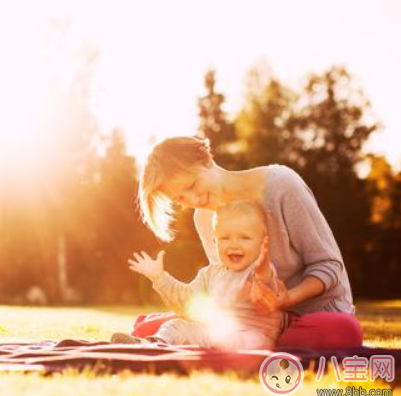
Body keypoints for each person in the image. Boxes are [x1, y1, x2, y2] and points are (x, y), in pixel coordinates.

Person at [125, 136, 363, 349]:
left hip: (309, 314)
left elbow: (329, 265)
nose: (193, 199)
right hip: (251, 323)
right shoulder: (204, 218)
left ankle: (256, 341)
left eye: (191, 185)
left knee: (344, 331)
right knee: (147, 329)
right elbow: (223, 285)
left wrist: (286, 299)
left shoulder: (281, 185)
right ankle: (246, 341)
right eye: (180, 198)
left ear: (206, 160)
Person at [112, 201, 284, 349]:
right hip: (216, 333)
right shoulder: (210, 273)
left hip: (251, 335)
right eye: (225, 238)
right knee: (177, 325)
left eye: (244, 238)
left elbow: (267, 288)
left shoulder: (259, 270)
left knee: (250, 340)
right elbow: (186, 299)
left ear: (262, 244)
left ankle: (221, 354)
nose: (234, 244)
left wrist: (262, 271)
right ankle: (152, 344)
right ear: (215, 241)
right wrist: (159, 277)